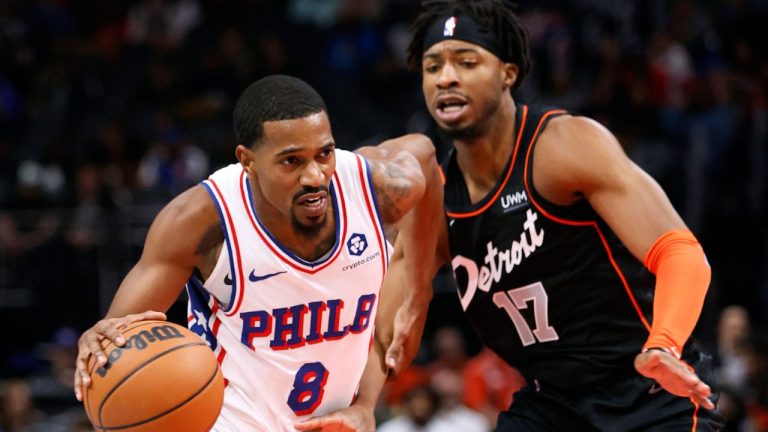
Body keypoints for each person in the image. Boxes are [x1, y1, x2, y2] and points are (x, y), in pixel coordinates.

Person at [382, 0, 727, 430]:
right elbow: (384, 324)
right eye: (432, 67)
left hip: (649, 391)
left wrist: (664, 345)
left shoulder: (562, 147)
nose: (446, 77)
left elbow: (681, 253)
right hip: (551, 404)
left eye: (466, 62)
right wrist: (355, 401)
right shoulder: (436, 201)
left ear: (508, 73)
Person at [73, 75, 443, 431]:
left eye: (324, 154)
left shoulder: (377, 189)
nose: (314, 176)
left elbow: (425, 153)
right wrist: (96, 342)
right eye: (292, 161)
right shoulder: (202, 221)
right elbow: (115, 342)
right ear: (247, 161)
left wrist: (418, 291)